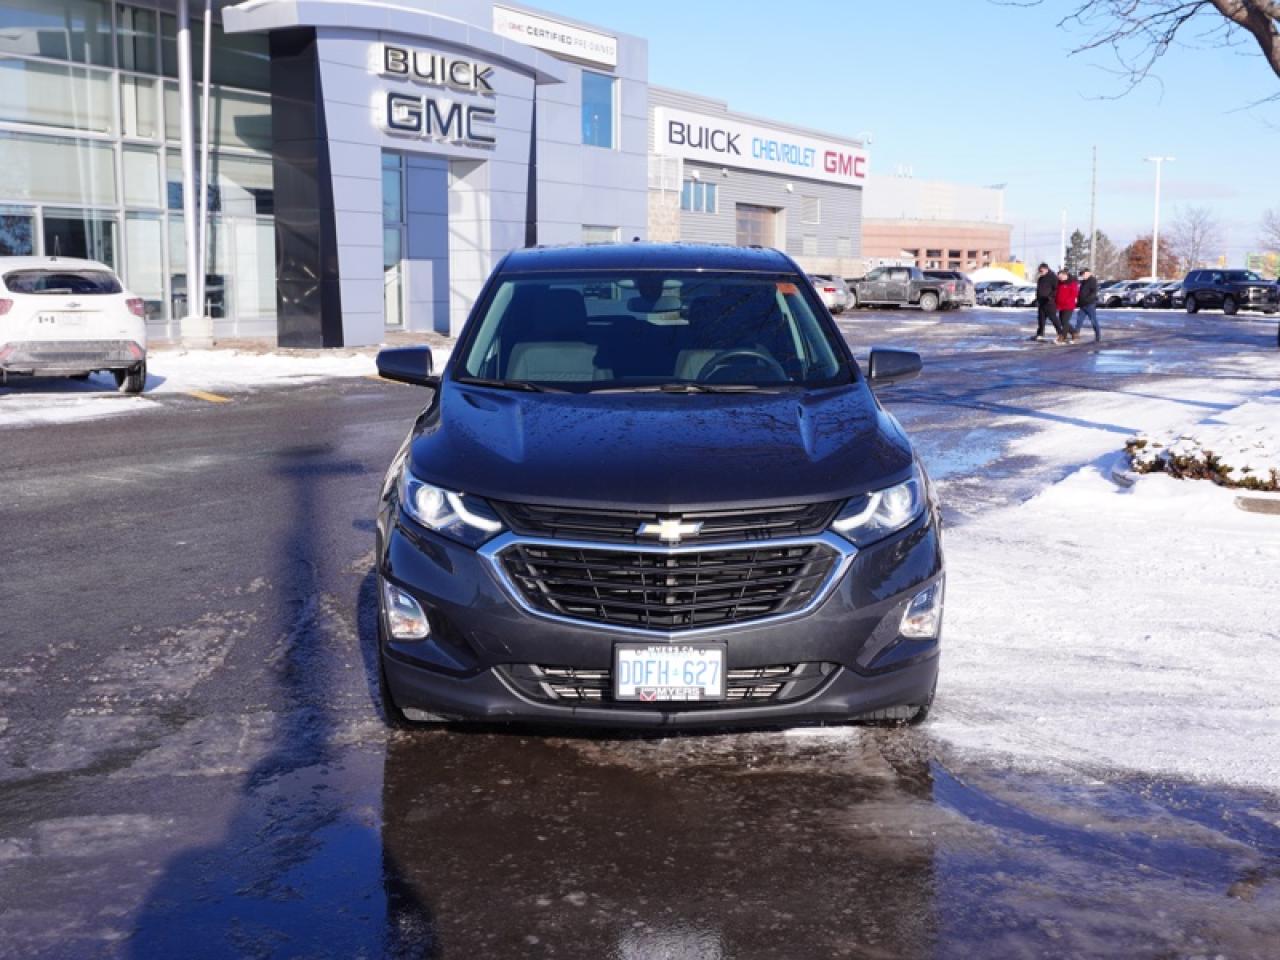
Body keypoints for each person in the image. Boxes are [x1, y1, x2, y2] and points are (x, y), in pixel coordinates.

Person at [1030, 263, 1060, 342]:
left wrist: (1050, 297)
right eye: (1039, 271)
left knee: (1053, 318)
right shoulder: (1041, 278)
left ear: (1046, 269)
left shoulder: (1053, 277)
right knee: (1041, 319)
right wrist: (1037, 298)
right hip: (1041, 301)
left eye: (1041, 270)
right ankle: (1040, 334)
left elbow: (1056, 289)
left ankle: (1060, 333)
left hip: (1049, 302)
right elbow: (1039, 289)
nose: (1040, 272)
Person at [1074, 267, 1101, 342]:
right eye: (1082, 274)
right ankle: (1076, 335)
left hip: (1090, 304)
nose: (1083, 276)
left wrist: (1088, 300)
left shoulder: (1092, 280)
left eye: (1084, 274)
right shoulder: (1083, 282)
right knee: (1079, 320)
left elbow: (1093, 293)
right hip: (1082, 305)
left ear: (1088, 273)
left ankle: (1098, 335)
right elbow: (1080, 292)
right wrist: (1079, 302)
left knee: (1093, 320)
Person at [1055, 270, 1079, 344]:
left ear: (1066, 275)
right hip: (1060, 306)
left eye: (1061, 276)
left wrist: (1067, 301)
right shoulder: (1059, 283)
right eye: (1059, 277)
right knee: (1063, 322)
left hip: (1069, 305)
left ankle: (1063, 337)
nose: (1060, 278)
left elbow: (1074, 294)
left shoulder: (1072, 283)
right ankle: (1074, 333)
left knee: (1065, 321)